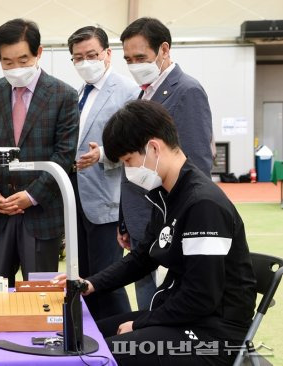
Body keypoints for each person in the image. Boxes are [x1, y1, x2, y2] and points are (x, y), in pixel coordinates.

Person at [54, 100, 256, 366]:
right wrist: (92, 283)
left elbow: (201, 297)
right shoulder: (166, 195)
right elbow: (143, 257)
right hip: (181, 317)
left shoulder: (202, 204)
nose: (128, 171)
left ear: (153, 147)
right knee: (79, 338)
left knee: (95, 357)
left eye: (128, 161)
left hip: (213, 337)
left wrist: (140, 323)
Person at [0, 18, 79, 287]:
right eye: (7, 62)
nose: (16, 68)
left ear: (38, 53)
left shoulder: (63, 95)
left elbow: (63, 155)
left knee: (40, 295)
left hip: (40, 216)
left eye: (23, 59)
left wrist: (31, 196)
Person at [119, 17, 214, 309]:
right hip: (140, 221)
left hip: (167, 220)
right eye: (128, 59)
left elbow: (196, 163)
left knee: (165, 306)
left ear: (164, 49)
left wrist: (183, 219)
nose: (134, 65)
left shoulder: (187, 91)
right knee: (146, 300)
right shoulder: (143, 92)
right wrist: (125, 220)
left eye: (140, 57)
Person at [66, 26, 138, 320]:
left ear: (108, 54)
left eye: (92, 55)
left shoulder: (128, 92)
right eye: (78, 57)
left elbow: (136, 144)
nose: (85, 62)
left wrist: (104, 154)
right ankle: (95, 334)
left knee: (107, 280)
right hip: (78, 201)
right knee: (85, 277)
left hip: (108, 200)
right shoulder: (80, 93)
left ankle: (123, 338)